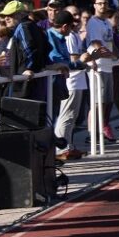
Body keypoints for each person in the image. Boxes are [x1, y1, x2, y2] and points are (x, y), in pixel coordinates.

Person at [46, 10, 90, 161]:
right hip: (59, 82)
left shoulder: (62, 37)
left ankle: (65, 146)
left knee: (69, 116)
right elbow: (58, 60)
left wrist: (78, 64)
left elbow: (66, 62)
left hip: (64, 81)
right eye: (71, 25)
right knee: (66, 116)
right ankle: (61, 148)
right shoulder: (52, 37)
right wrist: (81, 62)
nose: (73, 28)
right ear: (65, 26)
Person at [84, 0, 119, 141]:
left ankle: (103, 126)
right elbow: (97, 43)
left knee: (108, 100)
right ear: (94, 5)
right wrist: (112, 55)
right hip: (97, 65)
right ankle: (92, 133)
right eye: (100, 3)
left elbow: (110, 41)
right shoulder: (93, 23)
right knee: (97, 102)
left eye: (105, 3)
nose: (103, 6)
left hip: (108, 66)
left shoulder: (106, 22)